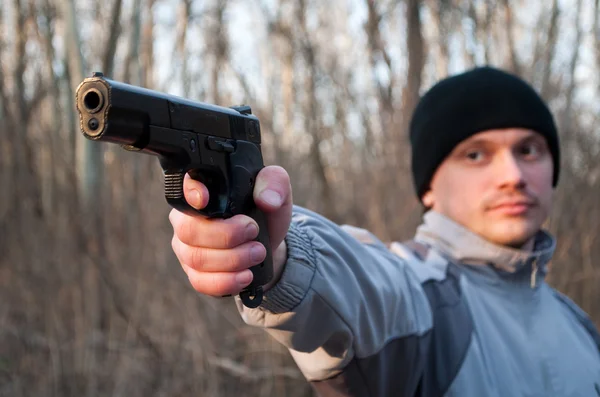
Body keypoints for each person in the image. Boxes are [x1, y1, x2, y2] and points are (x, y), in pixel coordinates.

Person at [169, 66, 600, 396]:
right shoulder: (423, 296)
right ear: (428, 187)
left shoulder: (577, 323)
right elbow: (361, 289)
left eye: (529, 150)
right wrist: (277, 255)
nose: (513, 175)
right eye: (475, 155)